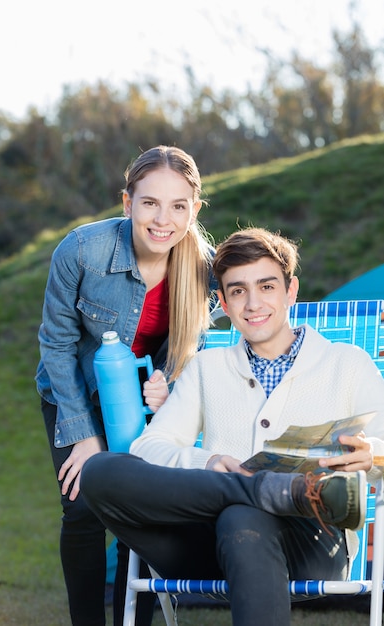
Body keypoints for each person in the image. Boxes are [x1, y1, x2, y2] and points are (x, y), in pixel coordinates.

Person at [80, 227, 384, 626]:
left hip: (310, 544)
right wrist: (209, 462)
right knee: (101, 471)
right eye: (238, 291)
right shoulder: (207, 368)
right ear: (222, 301)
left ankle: (269, 495)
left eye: (267, 286)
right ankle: (269, 489)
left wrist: (373, 454)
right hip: (205, 545)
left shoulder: (348, 363)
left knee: (242, 516)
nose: (253, 302)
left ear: (290, 291)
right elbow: (149, 449)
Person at [35, 145, 218, 626]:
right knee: (81, 507)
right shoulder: (81, 251)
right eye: (150, 203)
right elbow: (55, 344)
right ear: (127, 202)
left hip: (142, 401)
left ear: (194, 210)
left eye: (179, 206)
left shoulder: (205, 270)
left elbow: (193, 343)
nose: (164, 219)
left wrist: (168, 382)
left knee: (137, 514)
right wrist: (84, 435)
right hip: (74, 390)